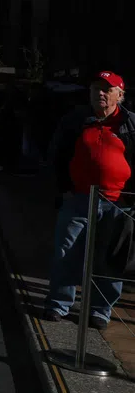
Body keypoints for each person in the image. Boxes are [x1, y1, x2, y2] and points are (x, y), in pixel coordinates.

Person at [43, 71, 133, 329]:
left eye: (107, 89)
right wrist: (63, 188)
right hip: (79, 199)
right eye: (96, 88)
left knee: (110, 259)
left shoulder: (130, 124)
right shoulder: (75, 120)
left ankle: (99, 310)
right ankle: (59, 304)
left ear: (120, 94)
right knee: (66, 252)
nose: (100, 93)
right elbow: (56, 153)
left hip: (118, 204)